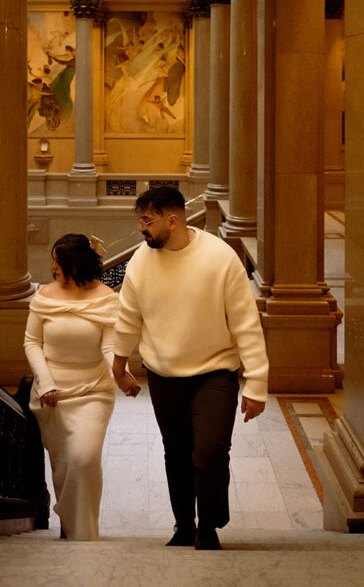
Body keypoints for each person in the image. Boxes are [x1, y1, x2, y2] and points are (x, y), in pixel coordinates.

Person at [112, 186, 269, 551]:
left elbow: (246, 324)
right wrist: (119, 367)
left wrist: (257, 385)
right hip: (164, 374)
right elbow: (127, 320)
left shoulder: (219, 258)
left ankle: (210, 523)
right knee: (177, 452)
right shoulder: (140, 262)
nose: (141, 228)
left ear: (173, 219)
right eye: (139, 220)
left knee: (210, 451)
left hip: (215, 371)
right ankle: (185, 526)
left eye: (147, 221)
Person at [24, 233, 135, 541]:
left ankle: (83, 530)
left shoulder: (105, 299)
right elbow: (32, 343)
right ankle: (72, 527)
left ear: (75, 264)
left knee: (84, 458)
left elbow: (110, 346)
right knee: (62, 465)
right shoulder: (44, 295)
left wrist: (121, 374)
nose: (52, 267)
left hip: (93, 391)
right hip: (52, 394)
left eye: (58, 262)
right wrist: (45, 382)